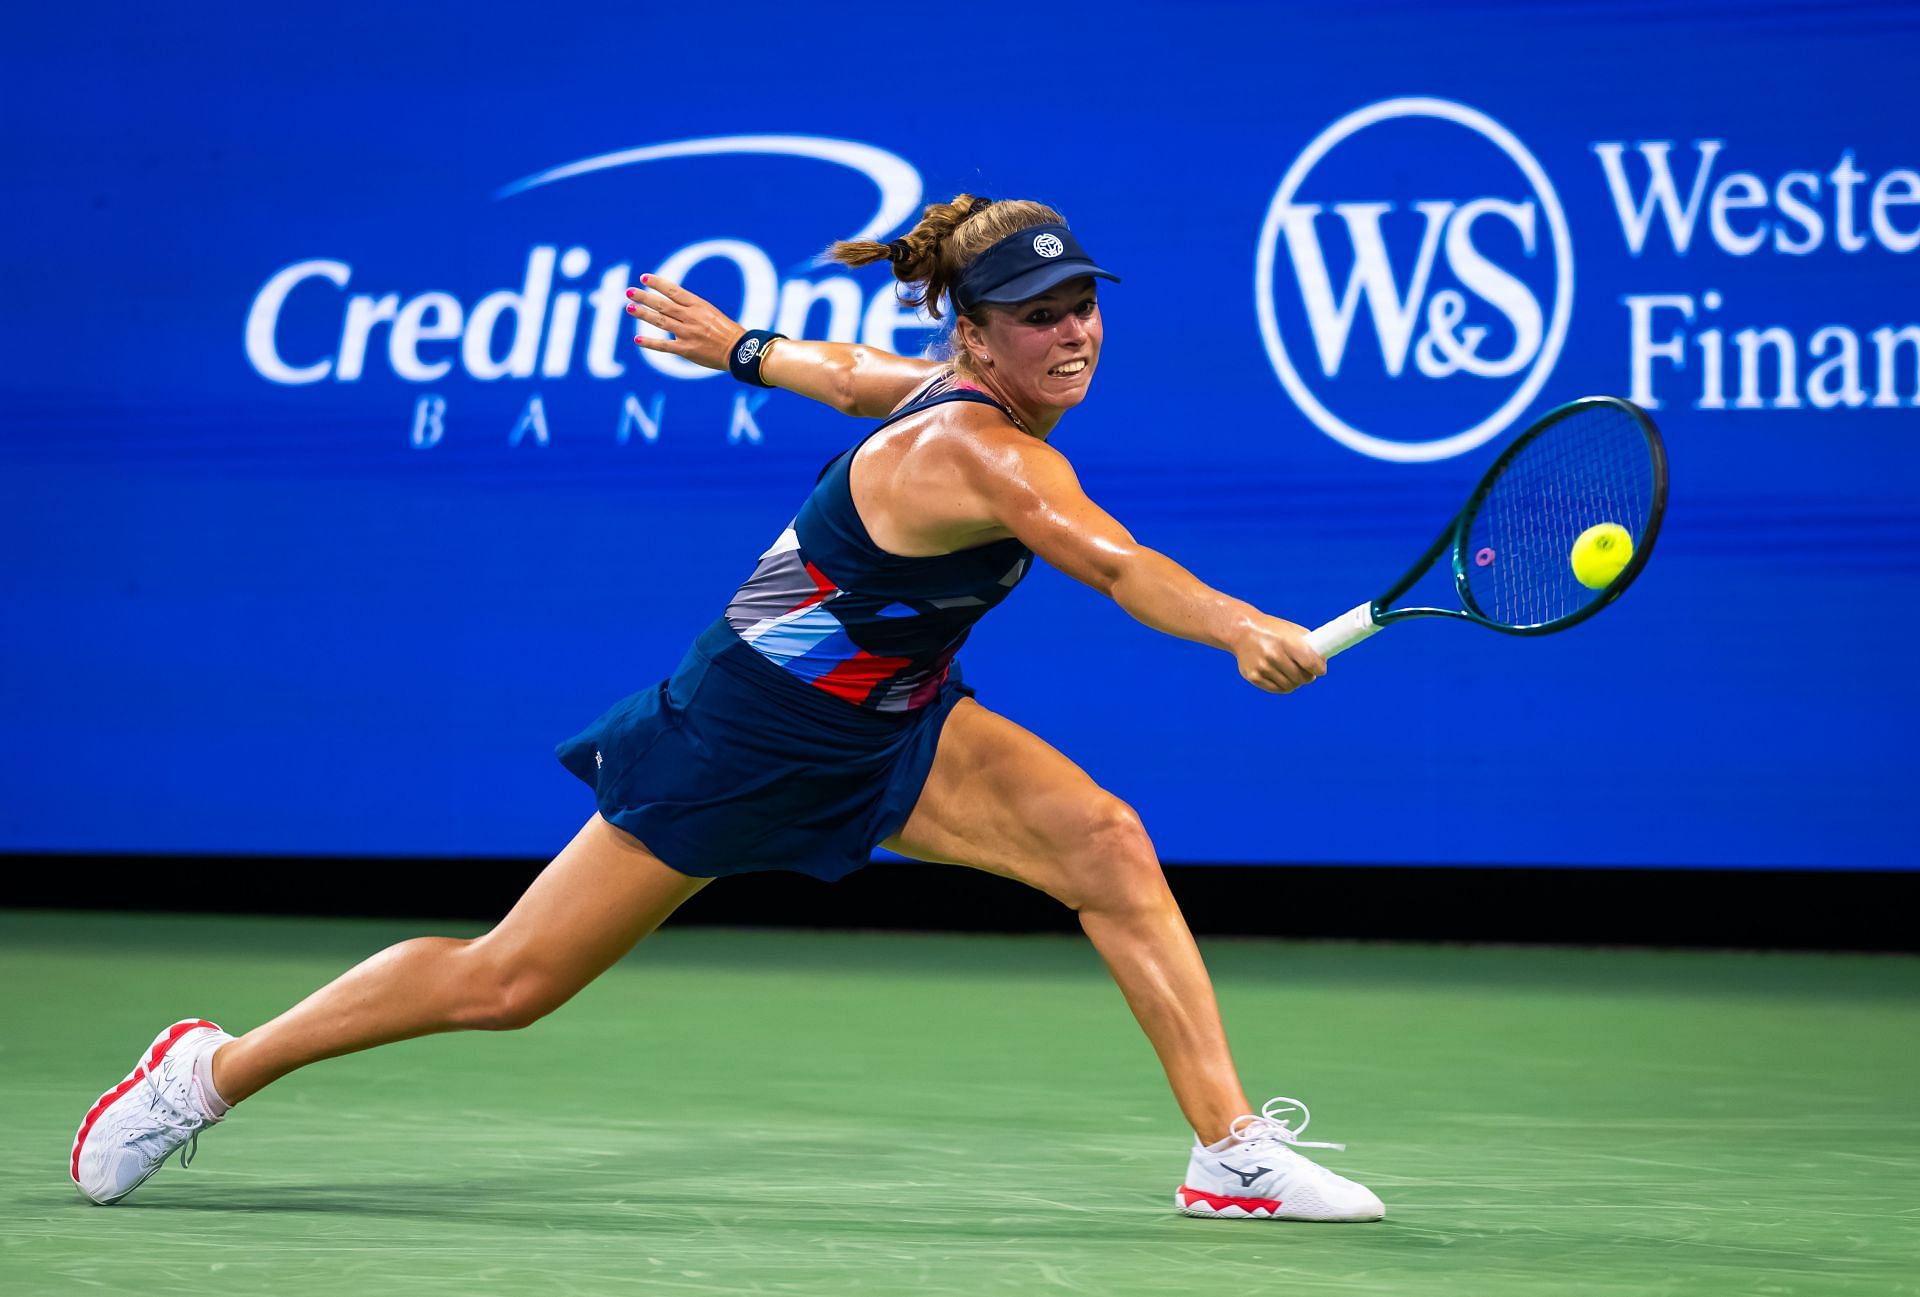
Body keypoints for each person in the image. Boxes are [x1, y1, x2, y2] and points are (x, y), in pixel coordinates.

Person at [70, 195, 1384, 1223]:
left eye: (1084, 302)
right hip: (741, 735)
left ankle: (1229, 1153)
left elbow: (856, 372)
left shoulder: (942, 389)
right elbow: (1105, 556)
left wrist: (743, 347)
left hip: (896, 720)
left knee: (1106, 843)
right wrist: (1240, 625)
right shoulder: (979, 451)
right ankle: (207, 1070)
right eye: (1040, 312)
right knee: (509, 981)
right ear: (978, 332)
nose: (1074, 330)